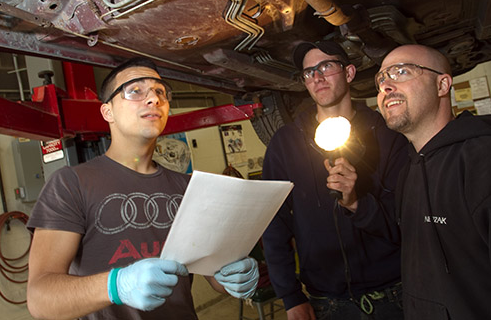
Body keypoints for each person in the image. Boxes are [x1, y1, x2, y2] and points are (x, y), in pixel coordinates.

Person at [26, 57, 259, 320]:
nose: (153, 99)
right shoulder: (70, 184)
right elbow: (40, 300)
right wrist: (116, 285)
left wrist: (232, 276)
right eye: (135, 91)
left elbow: (213, 278)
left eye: (160, 92)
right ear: (107, 112)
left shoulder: (187, 187)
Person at [262, 40, 408, 320]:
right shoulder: (286, 143)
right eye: (308, 73)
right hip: (326, 303)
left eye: (326, 66)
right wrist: (290, 296)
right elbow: (273, 223)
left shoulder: (387, 134)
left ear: (349, 73)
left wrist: (356, 203)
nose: (317, 77)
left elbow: (407, 219)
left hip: (394, 294)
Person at [376, 44, 491, 319]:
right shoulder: (409, 169)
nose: (386, 86)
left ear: (442, 84)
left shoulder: (481, 159)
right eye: (381, 79)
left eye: (401, 72)